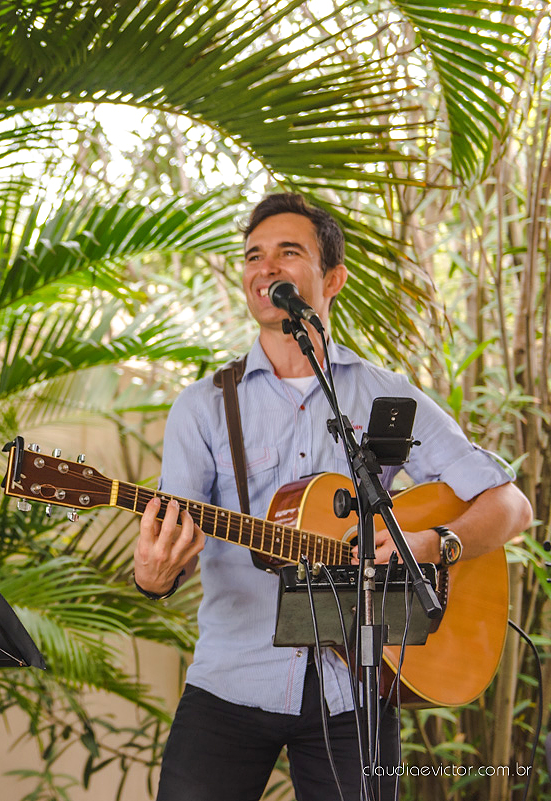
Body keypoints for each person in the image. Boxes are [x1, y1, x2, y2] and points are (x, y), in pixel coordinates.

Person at [132, 193, 532, 800]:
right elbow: (176, 549)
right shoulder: (205, 407)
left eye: (287, 252)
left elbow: (511, 506)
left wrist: (433, 543)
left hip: (358, 687)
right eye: (253, 256)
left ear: (332, 278)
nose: (264, 267)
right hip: (232, 682)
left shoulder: (384, 394)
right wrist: (154, 575)